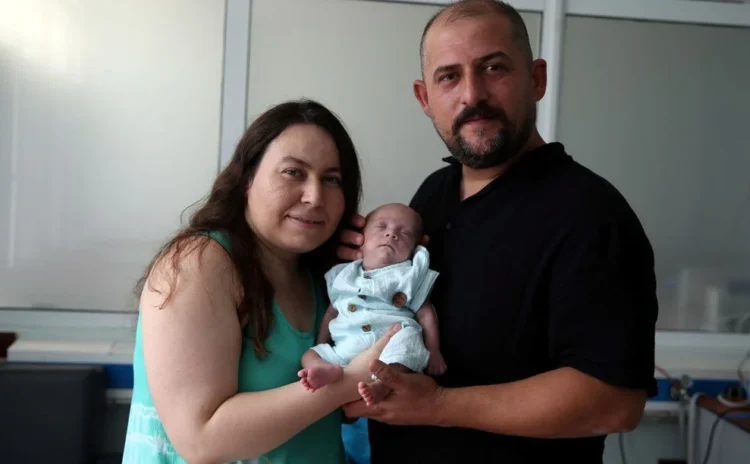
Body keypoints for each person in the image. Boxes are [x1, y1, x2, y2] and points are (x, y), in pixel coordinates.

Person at [337, 1, 659, 462]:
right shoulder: (433, 195)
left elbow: (615, 401)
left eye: (493, 68)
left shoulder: (591, 215)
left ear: (536, 79)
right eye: (449, 76)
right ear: (424, 98)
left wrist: (437, 406)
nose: (472, 95)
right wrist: (355, 257)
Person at [121, 99, 401, 464]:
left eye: (331, 179)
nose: (315, 197)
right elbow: (202, 441)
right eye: (293, 172)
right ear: (246, 178)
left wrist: (390, 266)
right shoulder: (198, 264)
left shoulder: (326, 277)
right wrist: (347, 382)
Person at [297, 203, 446, 405]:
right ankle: (325, 369)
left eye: (404, 233)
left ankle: (383, 384)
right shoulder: (343, 274)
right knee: (309, 355)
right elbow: (332, 313)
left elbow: (426, 314)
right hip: (348, 345)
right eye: (381, 227)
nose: (391, 234)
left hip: (391, 344)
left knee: (409, 342)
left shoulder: (410, 275)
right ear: (361, 239)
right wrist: (321, 345)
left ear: (415, 247)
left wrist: (434, 350)